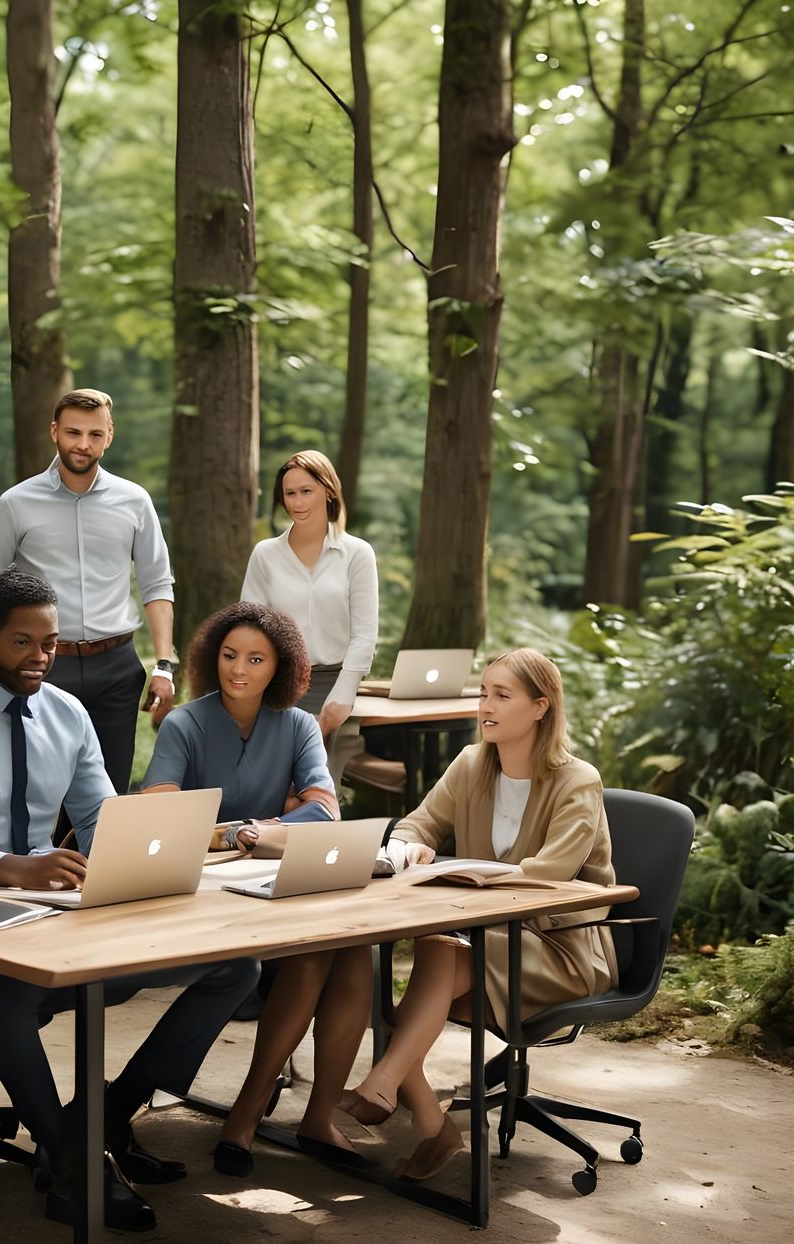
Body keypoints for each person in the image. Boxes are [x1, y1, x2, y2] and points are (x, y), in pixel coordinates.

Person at [0, 568, 259, 1232]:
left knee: (235, 967)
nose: (42, 658)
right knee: (12, 998)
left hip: (43, 917)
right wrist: (15, 868)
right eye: (24, 643)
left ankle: (98, 1126)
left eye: (50, 642)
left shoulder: (66, 713)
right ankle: (74, 1170)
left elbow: (101, 821)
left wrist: (142, 855)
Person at [341, 648, 616, 1181]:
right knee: (438, 955)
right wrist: (408, 849)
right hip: (484, 935)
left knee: (437, 963)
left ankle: (386, 1089)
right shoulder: (471, 764)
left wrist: (481, 877)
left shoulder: (578, 780)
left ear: (541, 707)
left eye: (501, 695)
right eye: (484, 692)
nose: (485, 705)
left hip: (560, 946)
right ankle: (419, 1113)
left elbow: (553, 871)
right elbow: (416, 824)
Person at [140, 602, 370, 1174]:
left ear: (280, 668)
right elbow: (160, 813)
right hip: (204, 892)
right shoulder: (185, 722)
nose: (238, 669)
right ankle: (257, 1113)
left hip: (273, 880)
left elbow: (325, 811)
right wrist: (256, 831)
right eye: (228, 655)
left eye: (255, 659)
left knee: (349, 943)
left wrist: (252, 829)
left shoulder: (296, 724)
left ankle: (298, 1114)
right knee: (322, 950)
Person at [0, 388, 177, 794]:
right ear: (54, 431)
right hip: (42, 666)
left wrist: (164, 665)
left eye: (95, 434)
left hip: (116, 667)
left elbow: (157, 584)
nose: (83, 444)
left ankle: (100, 861)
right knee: (41, 791)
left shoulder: (135, 501)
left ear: (110, 436)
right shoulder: (16, 502)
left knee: (107, 794)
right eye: (74, 432)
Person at [240, 450, 377, 737]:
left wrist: (343, 696)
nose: (297, 503)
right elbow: (250, 631)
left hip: (337, 687)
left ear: (328, 491)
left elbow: (364, 634)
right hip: (277, 687)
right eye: (290, 493)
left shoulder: (357, 554)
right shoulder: (265, 555)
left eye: (306, 491)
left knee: (324, 780)